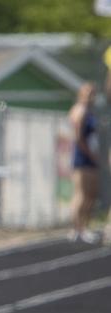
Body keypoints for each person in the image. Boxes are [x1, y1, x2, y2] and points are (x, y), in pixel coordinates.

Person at [68, 83, 101, 245]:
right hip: (82, 158)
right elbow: (78, 137)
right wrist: (90, 154)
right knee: (81, 194)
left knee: (91, 194)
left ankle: (85, 225)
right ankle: (77, 228)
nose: (91, 97)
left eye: (93, 94)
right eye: (88, 93)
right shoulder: (79, 111)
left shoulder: (90, 112)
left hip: (92, 157)